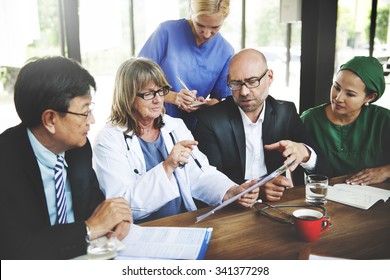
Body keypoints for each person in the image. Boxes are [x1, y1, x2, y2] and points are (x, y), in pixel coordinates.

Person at [93, 57, 259, 223]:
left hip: (183, 221)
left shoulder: (175, 126)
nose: (158, 100)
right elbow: (123, 205)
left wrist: (231, 191)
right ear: (127, 96)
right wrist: (167, 167)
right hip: (142, 229)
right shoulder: (109, 140)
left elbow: (201, 174)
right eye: (149, 93)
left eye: (161, 91)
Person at [0, 56, 132, 260]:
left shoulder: (78, 148)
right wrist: (90, 228)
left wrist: (114, 218)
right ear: (50, 119)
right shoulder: (7, 161)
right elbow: (16, 247)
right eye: (85, 112)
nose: (92, 120)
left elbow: (92, 202)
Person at [194, 48, 333, 201]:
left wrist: (305, 153)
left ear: (269, 77)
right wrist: (257, 189)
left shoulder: (285, 112)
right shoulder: (211, 120)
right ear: (228, 81)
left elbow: (325, 171)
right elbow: (209, 181)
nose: (244, 92)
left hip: (278, 205)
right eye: (236, 83)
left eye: (252, 81)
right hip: (231, 210)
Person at [138, 0, 234, 131]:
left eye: (215, 28)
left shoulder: (226, 51)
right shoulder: (166, 32)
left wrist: (203, 104)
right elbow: (137, 79)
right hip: (151, 121)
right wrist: (174, 97)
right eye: (200, 25)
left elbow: (217, 98)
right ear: (192, 12)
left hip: (190, 128)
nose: (206, 34)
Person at [301, 56, 390, 185]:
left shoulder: (383, 121)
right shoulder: (309, 120)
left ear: (370, 97)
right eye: (336, 87)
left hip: (377, 199)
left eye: (350, 94)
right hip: (324, 198)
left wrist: (385, 171)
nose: (338, 98)